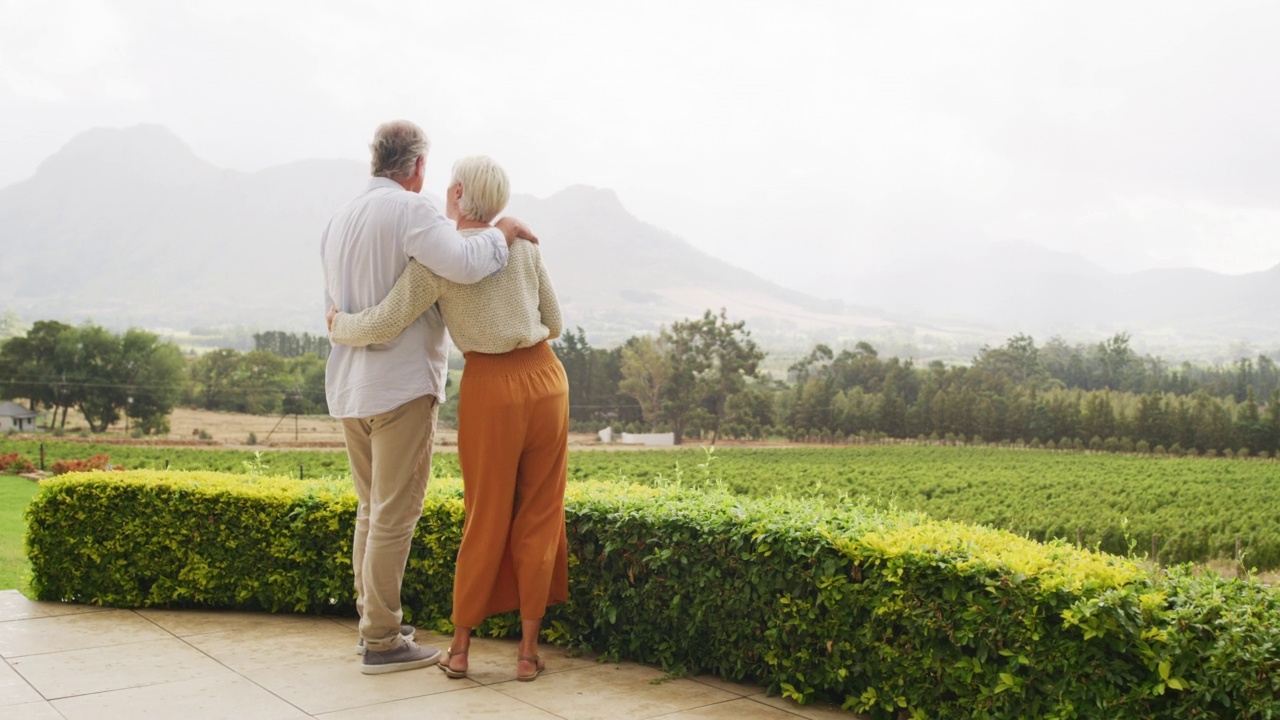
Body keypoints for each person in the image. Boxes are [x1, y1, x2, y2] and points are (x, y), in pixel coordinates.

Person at [328, 154, 568, 682]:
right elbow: (553, 320)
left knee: (484, 514)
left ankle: (460, 651)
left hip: (490, 389)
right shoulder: (524, 245)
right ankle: (527, 655)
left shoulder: (439, 260)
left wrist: (339, 326)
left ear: (457, 193)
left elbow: (387, 320)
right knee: (540, 515)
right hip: (548, 382)